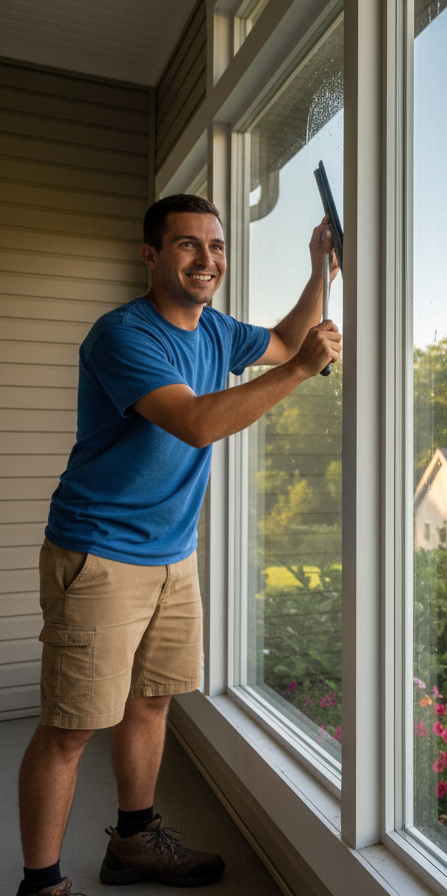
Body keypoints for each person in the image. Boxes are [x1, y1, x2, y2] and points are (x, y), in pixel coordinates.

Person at [15, 194, 342, 896]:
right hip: (100, 553)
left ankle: (132, 843)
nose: (206, 259)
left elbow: (286, 340)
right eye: (188, 245)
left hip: (172, 554)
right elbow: (193, 422)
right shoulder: (122, 336)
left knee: (151, 702)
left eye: (216, 246)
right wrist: (295, 373)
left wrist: (322, 270)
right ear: (152, 255)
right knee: (70, 729)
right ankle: (40, 884)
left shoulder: (216, 332)